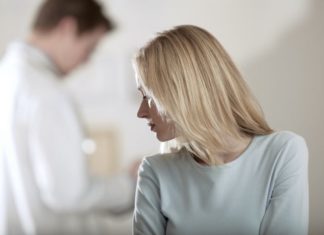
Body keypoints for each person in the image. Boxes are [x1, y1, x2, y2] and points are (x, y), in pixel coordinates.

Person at [132, 25, 309, 235]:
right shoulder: (154, 172)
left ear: (185, 92)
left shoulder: (283, 152)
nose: (141, 112)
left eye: (148, 97)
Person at [0, 0, 138, 234]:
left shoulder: (8, 76)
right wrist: (132, 184)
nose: (87, 60)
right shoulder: (47, 93)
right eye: (89, 48)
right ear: (67, 27)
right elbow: (68, 194)